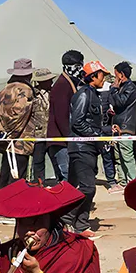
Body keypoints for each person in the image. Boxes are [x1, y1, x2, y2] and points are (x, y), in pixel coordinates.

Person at [0, 179, 100, 273]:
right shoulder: (8, 252)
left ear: (50, 223)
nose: (29, 232)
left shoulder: (79, 249)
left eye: (36, 224)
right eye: (23, 224)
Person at [62, 60, 109, 236]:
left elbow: (90, 122)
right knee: (88, 187)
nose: (104, 78)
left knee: (81, 187)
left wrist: (105, 131)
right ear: (93, 76)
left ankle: (81, 225)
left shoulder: (93, 94)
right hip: (82, 147)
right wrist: (95, 136)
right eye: (102, 75)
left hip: (87, 147)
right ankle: (67, 220)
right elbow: (78, 121)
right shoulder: (84, 94)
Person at [0, 58, 48, 190]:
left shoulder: (4, 90)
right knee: (16, 180)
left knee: (5, 175)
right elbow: (21, 115)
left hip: (7, 142)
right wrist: (12, 134)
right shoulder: (26, 91)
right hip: (21, 142)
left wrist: (0, 132)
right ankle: (11, 208)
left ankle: (0, 206)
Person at [45, 50, 84, 182]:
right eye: (78, 66)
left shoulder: (69, 83)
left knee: (71, 177)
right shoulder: (61, 85)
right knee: (66, 178)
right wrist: (71, 138)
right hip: (60, 141)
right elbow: (62, 116)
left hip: (64, 139)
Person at [107, 61, 136, 193]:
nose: (115, 79)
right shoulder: (122, 87)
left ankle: (133, 183)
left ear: (121, 75)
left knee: (127, 155)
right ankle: (123, 181)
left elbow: (121, 102)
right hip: (118, 125)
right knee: (118, 156)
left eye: (116, 75)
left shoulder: (130, 88)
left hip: (126, 127)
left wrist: (113, 89)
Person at [30, 67, 58, 181]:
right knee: (38, 161)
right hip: (38, 134)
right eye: (48, 80)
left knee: (57, 160)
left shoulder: (55, 93)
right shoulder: (32, 94)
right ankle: (38, 184)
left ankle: (61, 184)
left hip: (53, 133)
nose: (50, 82)